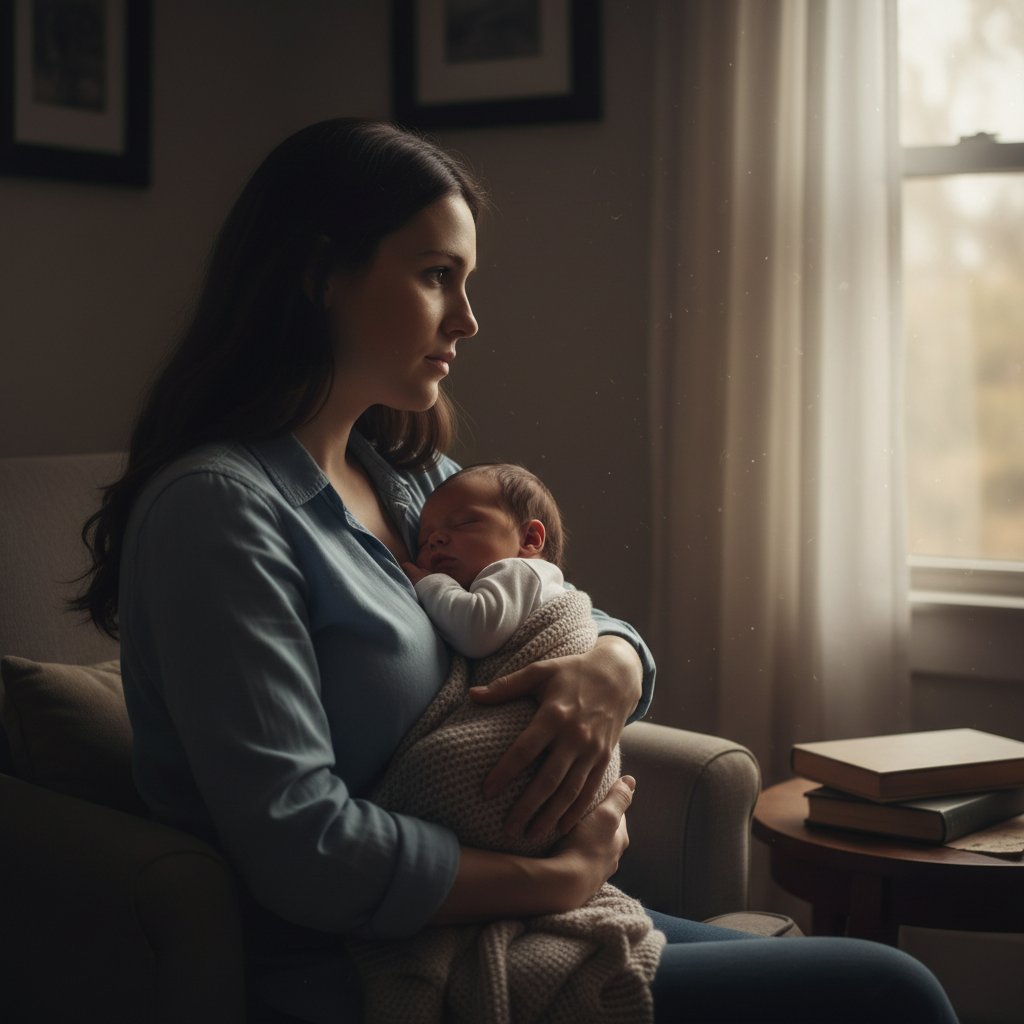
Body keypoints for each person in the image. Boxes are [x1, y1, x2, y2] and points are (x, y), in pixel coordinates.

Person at [71, 118, 959, 1023]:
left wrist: (615, 667)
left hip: (501, 919)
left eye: (467, 281)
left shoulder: (409, 476)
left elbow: (557, 602)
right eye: (435, 276)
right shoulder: (219, 511)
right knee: (887, 990)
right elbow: (305, 848)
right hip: (349, 964)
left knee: (866, 982)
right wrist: (554, 876)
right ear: (319, 274)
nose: (468, 319)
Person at [403, 461, 569, 659]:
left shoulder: (521, 571)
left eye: (463, 523)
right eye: (423, 540)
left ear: (529, 539)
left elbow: (476, 632)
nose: (435, 539)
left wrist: (429, 584)